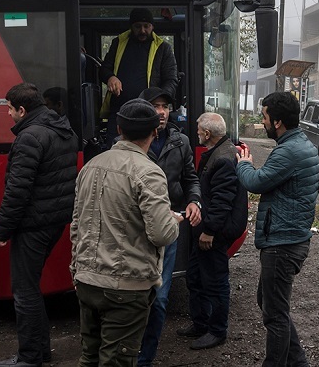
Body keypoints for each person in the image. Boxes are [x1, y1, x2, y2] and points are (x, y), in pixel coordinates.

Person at [71, 98, 182, 366]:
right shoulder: (149, 172)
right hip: (126, 285)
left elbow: (77, 223)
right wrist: (173, 220)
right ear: (155, 132)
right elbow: (162, 234)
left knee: (89, 357)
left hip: (86, 279)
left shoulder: (90, 166)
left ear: (119, 128)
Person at [0, 83, 79, 367]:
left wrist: (2, 230)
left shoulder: (30, 136)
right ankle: (39, 352)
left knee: (24, 290)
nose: (8, 114)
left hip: (32, 224)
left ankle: (30, 357)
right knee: (32, 286)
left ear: (21, 109)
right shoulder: (62, 129)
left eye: (9, 109)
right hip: (54, 220)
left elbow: (18, 190)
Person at [236, 92, 319, 366]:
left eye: (264, 117)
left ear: (278, 122)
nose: (262, 122)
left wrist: (243, 165)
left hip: (282, 244)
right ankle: (297, 361)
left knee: (274, 314)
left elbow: (257, 182)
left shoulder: (288, 151)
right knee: (269, 302)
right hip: (289, 238)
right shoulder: (299, 144)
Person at [136, 86, 202, 366]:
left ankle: (146, 358)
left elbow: (190, 178)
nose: (161, 112)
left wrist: (195, 200)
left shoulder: (180, 141)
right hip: (136, 229)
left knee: (161, 298)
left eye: (165, 106)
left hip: (170, 225)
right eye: (155, 106)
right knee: (137, 296)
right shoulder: (128, 141)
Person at [181, 113, 248, 350]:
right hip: (206, 230)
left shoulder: (223, 158)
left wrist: (208, 231)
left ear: (207, 134)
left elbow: (222, 201)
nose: (197, 133)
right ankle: (201, 324)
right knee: (196, 278)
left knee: (215, 282)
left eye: (199, 130)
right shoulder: (221, 151)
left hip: (214, 233)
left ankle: (217, 331)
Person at [100, 8, 179, 143]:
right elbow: (104, 69)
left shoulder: (163, 48)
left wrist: (158, 103)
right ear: (131, 27)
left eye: (146, 26)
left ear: (152, 27)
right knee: (115, 152)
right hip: (120, 112)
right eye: (137, 26)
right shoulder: (118, 43)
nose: (142, 31)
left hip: (148, 114)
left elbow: (171, 80)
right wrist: (110, 77)